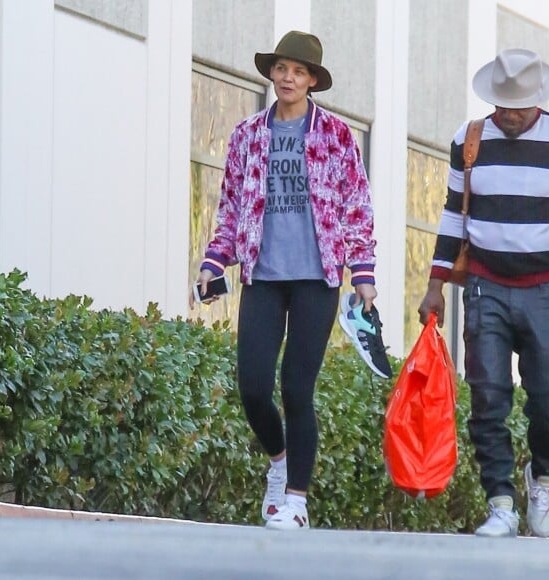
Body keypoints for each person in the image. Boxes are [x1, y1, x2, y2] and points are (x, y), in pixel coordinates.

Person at [195, 30, 380, 530]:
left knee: (296, 388)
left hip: (318, 278)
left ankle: (295, 500)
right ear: (271, 74)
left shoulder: (338, 137)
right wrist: (214, 262)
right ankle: (278, 460)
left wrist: (363, 273)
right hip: (263, 276)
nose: (288, 78)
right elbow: (231, 208)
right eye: (281, 69)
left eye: (298, 71)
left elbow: (357, 208)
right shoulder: (247, 136)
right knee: (253, 386)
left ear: (312, 80)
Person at [418, 48, 549, 538]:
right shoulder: (468, 140)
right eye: (502, 104)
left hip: (546, 288)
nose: (509, 114)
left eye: (519, 106)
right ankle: (501, 503)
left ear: (539, 101)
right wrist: (435, 284)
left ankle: (543, 476)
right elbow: (450, 213)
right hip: (485, 285)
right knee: (488, 395)